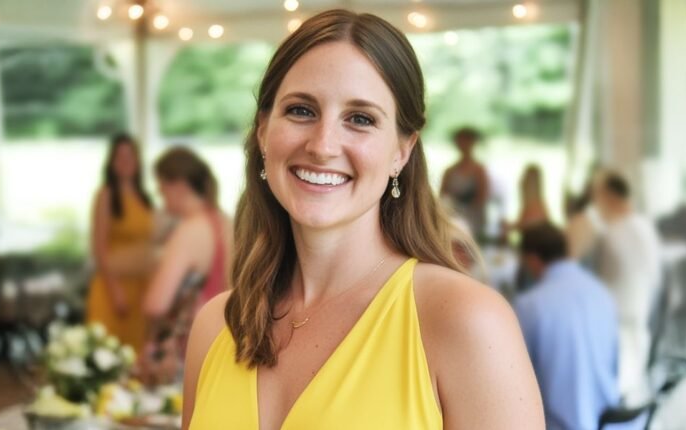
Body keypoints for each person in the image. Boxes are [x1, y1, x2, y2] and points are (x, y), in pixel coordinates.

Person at [182, 10, 543, 430]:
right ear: (263, 131)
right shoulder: (215, 326)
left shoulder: (465, 320)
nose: (322, 146)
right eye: (301, 110)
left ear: (402, 151)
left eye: (360, 119)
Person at [514, 222, 621, 430]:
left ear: (532, 260)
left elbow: (516, 382)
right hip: (610, 423)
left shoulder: (530, 306)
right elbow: (614, 367)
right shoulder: (602, 293)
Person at [140, 146, 232, 384]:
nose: (159, 194)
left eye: (161, 186)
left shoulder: (190, 230)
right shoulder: (227, 222)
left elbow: (156, 304)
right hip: (223, 343)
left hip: (187, 349)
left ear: (179, 186)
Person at [591, 170, 661, 401]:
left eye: (598, 196)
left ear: (609, 196)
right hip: (640, 313)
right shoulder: (644, 226)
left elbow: (603, 282)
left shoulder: (613, 234)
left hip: (617, 318)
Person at [87, 133, 155, 353]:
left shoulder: (144, 198)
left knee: (135, 353)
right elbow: (99, 247)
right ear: (111, 162)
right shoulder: (106, 195)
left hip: (141, 288)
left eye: (130, 156)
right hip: (113, 286)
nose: (125, 162)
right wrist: (115, 291)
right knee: (107, 351)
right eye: (120, 157)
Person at [441, 126, 491, 241]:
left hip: (473, 219)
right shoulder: (450, 171)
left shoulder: (479, 170)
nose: (463, 144)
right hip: (453, 217)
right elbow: (443, 196)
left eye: (466, 140)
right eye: (460, 141)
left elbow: (482, 197)